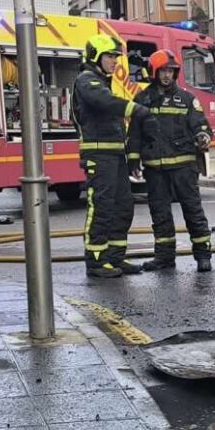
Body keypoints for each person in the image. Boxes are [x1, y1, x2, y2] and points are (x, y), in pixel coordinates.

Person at [72, 34, 154, 278]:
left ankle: (115, 258)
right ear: (96, 56)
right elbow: (105, 103)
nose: (115, 62)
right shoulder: (87, 81)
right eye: (110, 57)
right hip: (99, 154)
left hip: (115, 155)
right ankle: (96, 261)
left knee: (123, 206)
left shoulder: (102, 81)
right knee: (102, 206)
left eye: (116, 57)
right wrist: (135, 109)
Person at [128, 49, 213, 273]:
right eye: (163, 71)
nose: (167, 75)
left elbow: (200, 124)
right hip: (155, 169)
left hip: (184, 167)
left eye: (171, 71)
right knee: (160, 213)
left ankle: (203, 256)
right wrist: (133, 160)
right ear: (154, 72)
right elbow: (135, 132)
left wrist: (203, 136)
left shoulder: (186, 99)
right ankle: (164, 258)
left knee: (192, 210)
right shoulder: (142, 99)